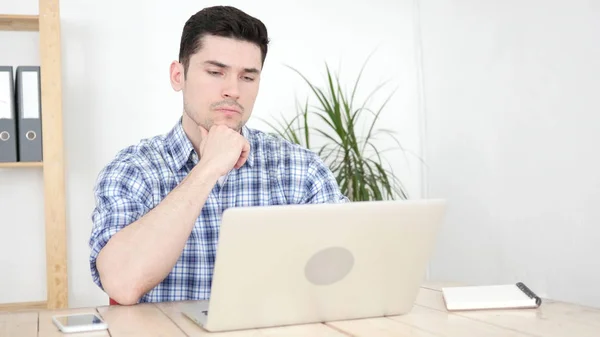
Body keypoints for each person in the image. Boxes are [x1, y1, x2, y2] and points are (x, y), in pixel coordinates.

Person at [88, 5, 348, 306]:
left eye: (248, 78)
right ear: (178, 75)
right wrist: (208, 167)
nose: (233, 90)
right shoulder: (133, 169)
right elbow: (121, 283)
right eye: (215, 72)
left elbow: (346, 273)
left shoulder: (302, 170)